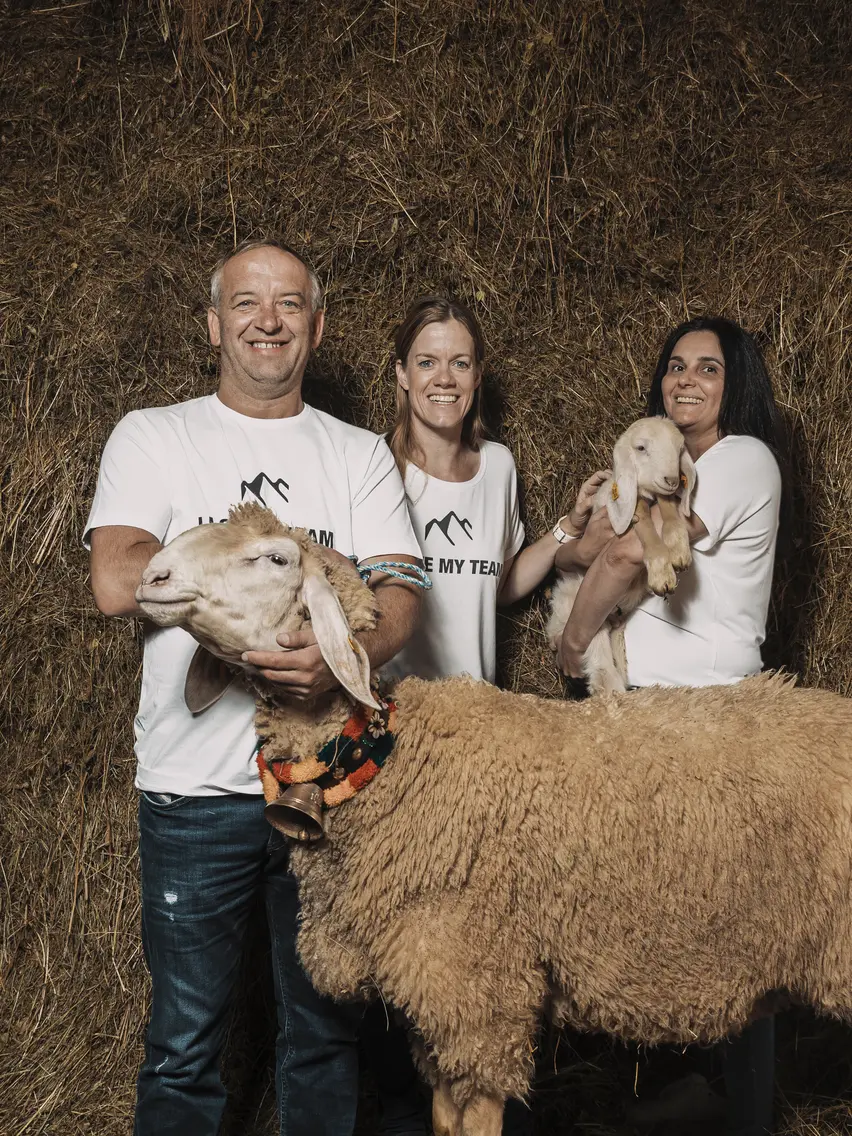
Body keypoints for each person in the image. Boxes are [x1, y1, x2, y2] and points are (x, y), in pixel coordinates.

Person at [85, 238, 423, 1136]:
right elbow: (118, 580)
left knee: (323, 1034)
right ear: (212, 324)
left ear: (318, 326)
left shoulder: (357, 454)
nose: (265, 320)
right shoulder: (154, 435)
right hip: (193, 794)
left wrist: (336, 648)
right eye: (244, 302)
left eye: (286, 304)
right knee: (185, 1041)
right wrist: (232, 596)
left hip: (326, 785)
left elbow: (399, 599)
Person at [362, 295, 606, 1135]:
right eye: (426, 361)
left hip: (485, 743)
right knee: (410, 941)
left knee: (477, 946)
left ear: (478, 376)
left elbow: (496, 578)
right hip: (401, 743)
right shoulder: (371, 469)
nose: (444, 378)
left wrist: (568, 541)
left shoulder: (496, 465)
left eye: (460, 362)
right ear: (399, 374)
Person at [556, 315, 786, 1136]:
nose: (686, 380)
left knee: (731, 920)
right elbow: (589, 544)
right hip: (648, 715)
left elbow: (629, 557)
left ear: (736, 385)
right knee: (658, 913)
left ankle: (747, 1113)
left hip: (707, 719)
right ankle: (673, 1101)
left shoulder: (738, 459)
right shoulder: (661, 465)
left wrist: (573, 645)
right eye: (675, 367)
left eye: (709, 369)